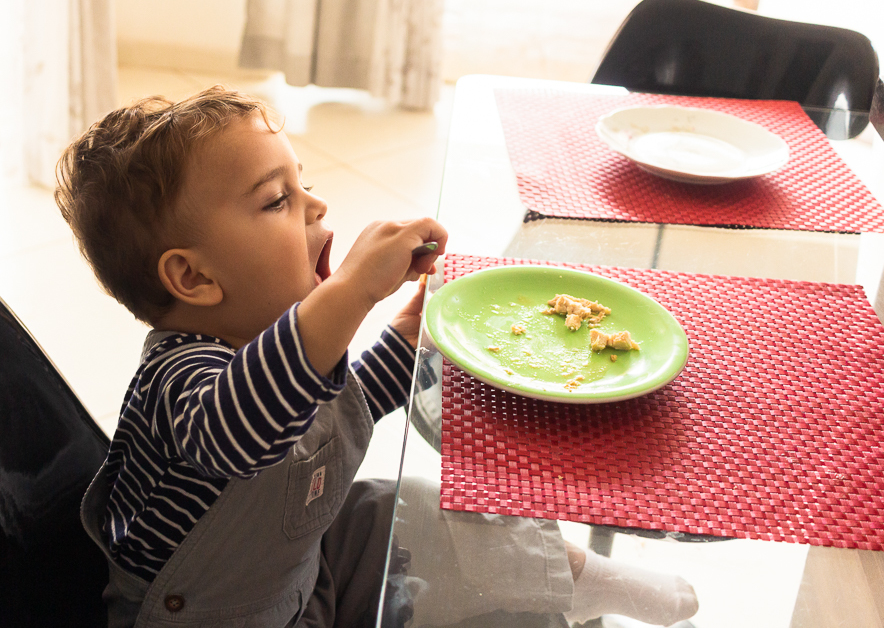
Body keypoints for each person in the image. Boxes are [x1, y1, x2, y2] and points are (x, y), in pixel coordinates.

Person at [55, 86, 699, 627]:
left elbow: (334, 407)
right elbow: (240, 434)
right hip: (208, 617)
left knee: (411, 505)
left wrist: (404, 336)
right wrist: (352, 287)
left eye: (301, 185)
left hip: (298, 573)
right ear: (193, 279)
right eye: (276, 200)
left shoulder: (274, 349)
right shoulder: (181, 378)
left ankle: (591, 584)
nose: (316, 205)